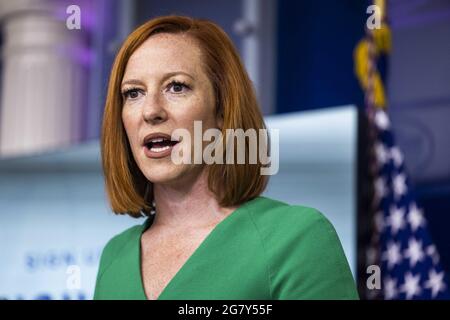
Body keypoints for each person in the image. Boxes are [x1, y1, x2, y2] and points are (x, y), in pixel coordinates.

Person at [94, 15, 359, 300]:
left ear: (222, 110)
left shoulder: (297, 238)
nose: (150, 111)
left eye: (177, 87)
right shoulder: (114, 258)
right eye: (133, 93)